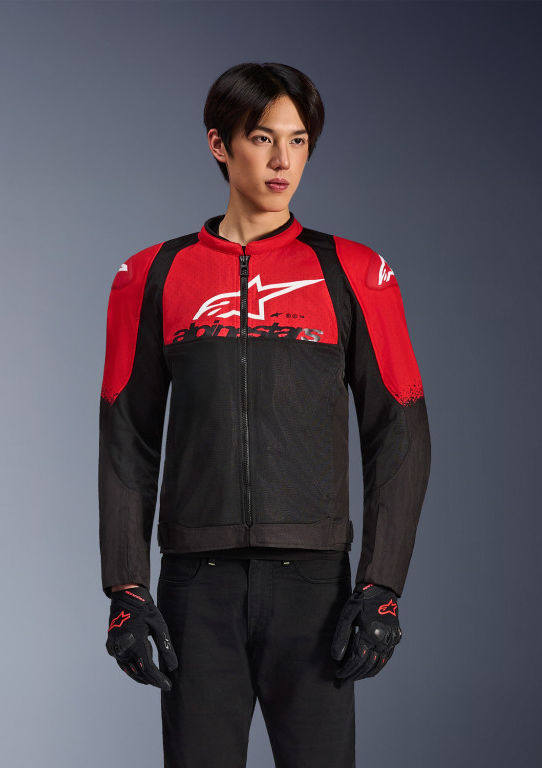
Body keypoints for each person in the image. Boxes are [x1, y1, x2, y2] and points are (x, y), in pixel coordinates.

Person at [99, 62, 431, 768]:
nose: (283, 160)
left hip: (314, 591)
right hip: (196, 589)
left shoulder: (355, 273)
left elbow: (399, 430)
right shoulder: (150, 275)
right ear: (219, 144)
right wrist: (125, 589)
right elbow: (128, 439)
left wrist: (382, 585)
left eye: (298, 140)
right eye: (262, 138)